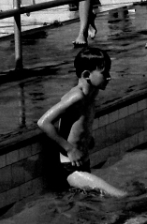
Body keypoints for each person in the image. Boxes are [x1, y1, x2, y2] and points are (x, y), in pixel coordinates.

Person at [37, 47, 126, 197]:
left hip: (83, 162)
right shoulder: (76, 97)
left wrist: (87, 138)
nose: (110, 77)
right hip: (70, 168)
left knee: (86, 207)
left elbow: (77, 122)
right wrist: (70, 149)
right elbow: (43, 122)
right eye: (105, 73)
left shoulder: (91, 94)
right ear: (86, 74)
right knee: (120, 195)